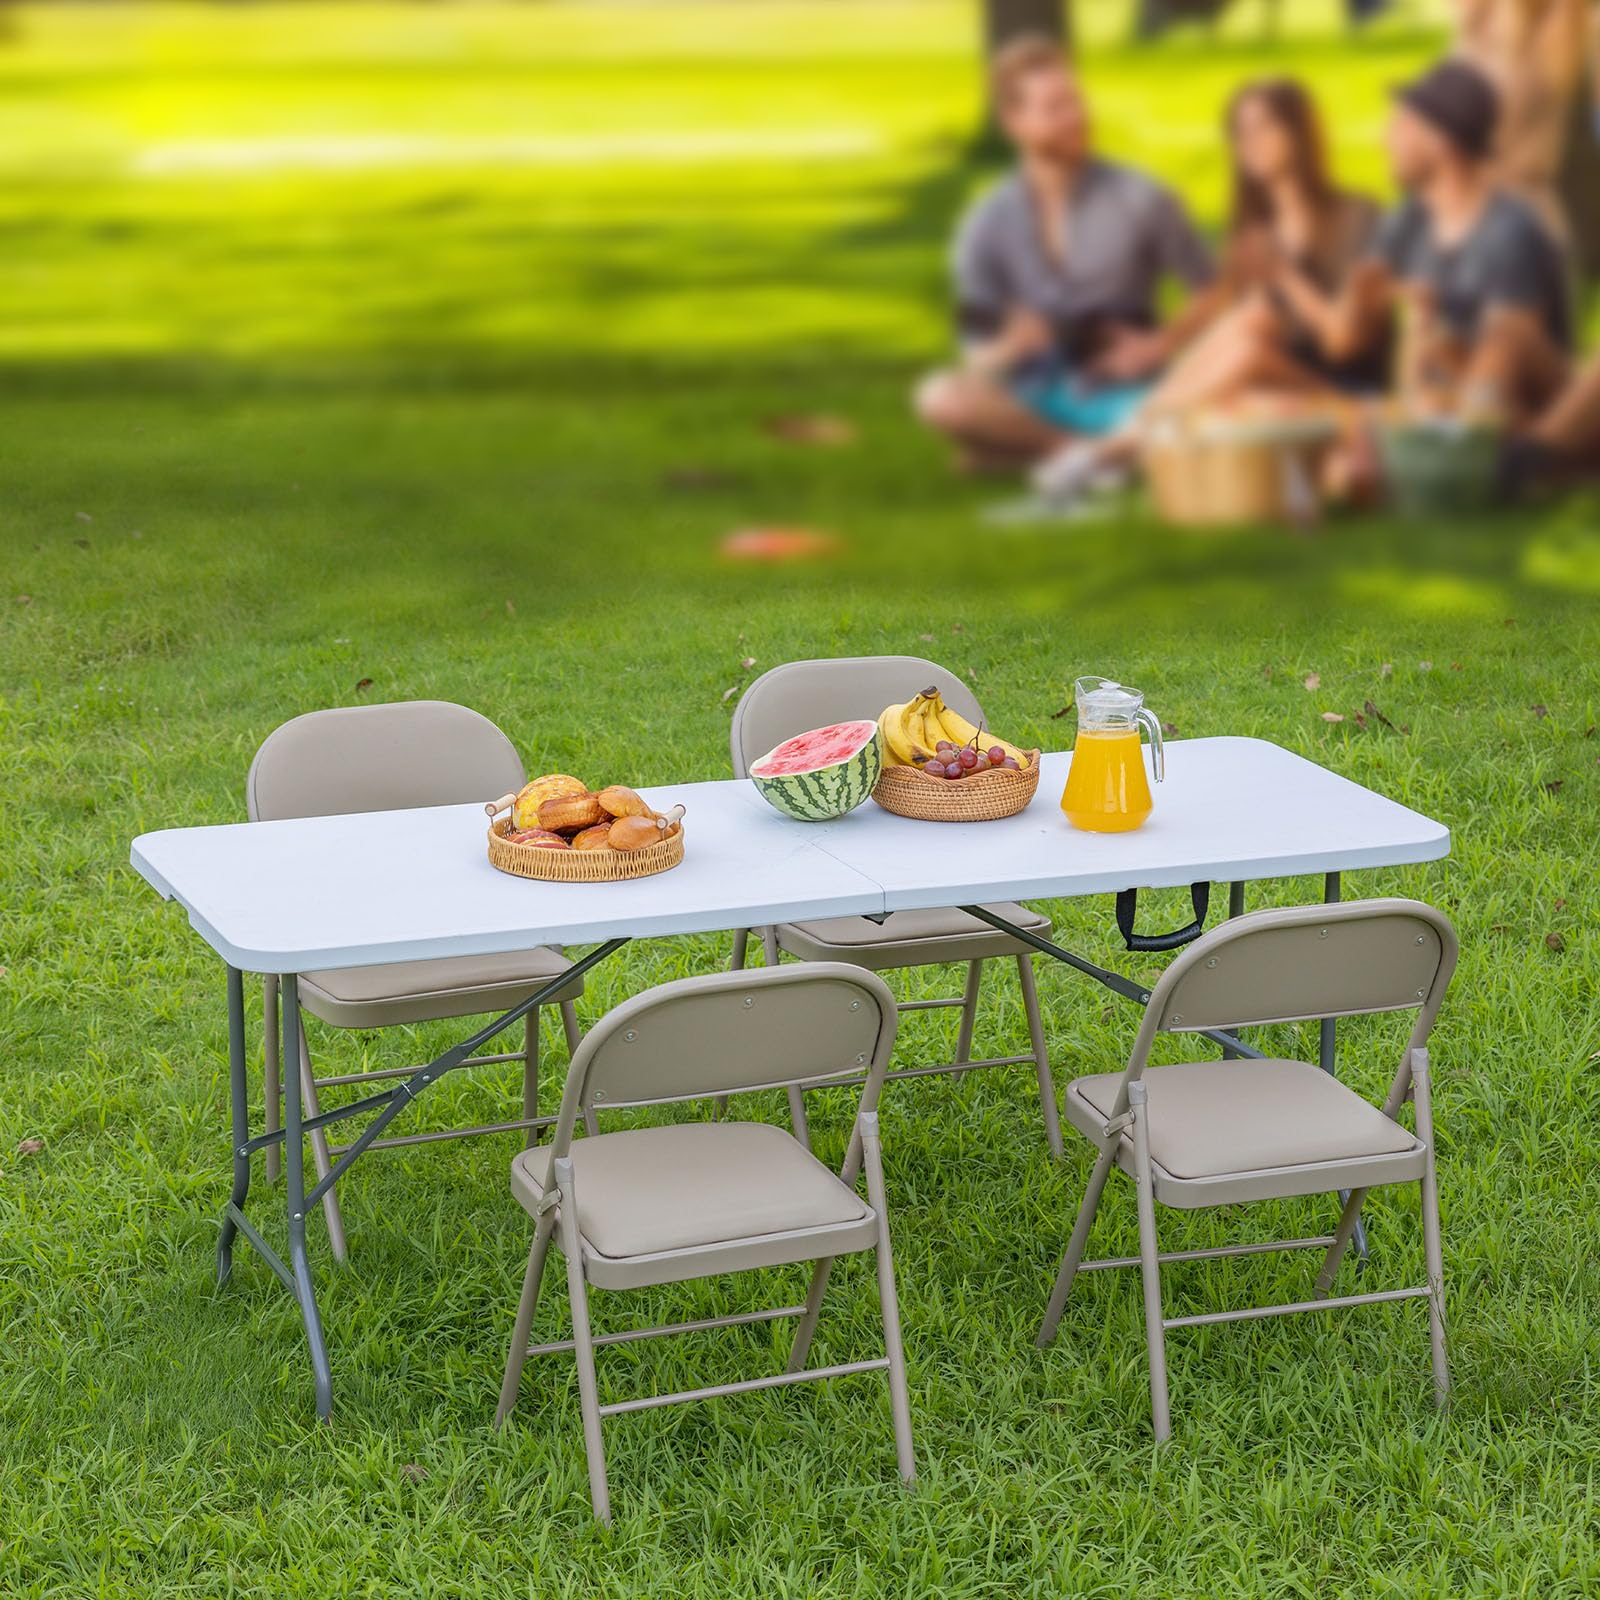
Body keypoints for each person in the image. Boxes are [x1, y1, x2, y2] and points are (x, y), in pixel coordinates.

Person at [1028, 77, 1389, 506]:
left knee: (1248, 346)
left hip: (1352, 398)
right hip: (1281, 394)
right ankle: (1118, 450)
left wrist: (1287, 277)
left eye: (1264, 128)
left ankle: (1110, 451)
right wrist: (1164, 344)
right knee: (1247, 331)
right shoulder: (1253, 234)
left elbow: (1344, 344)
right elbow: (1235, 329)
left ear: (1299, 131)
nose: (1250, 143)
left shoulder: (1358, 216)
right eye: (1239, 134)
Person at [914, 34, 1217, 473]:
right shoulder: (985, 224)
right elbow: (975, 351)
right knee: (938, 396)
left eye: (1075, 101)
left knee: (1190, 412)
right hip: (1031, 394)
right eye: (1055, 108)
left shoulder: (1143, 197)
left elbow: (1214, 291)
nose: (1075, 117)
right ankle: (1081, 451)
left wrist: (1159, 344)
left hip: (1126, 392)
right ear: (1012, 121)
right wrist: (1009, 347)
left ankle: (1021, 452)